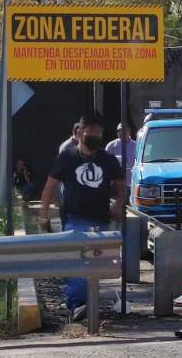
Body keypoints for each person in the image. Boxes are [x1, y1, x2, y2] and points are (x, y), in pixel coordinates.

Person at [38, 114, 125, 320]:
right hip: (74, 219)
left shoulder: (108, 160)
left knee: (94, 265)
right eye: (90, 133)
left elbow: (122, 189)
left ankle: (88, 304)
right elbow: (49, 188)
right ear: (80, 134)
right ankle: (78, 304)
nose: (93, 137)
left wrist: (119, 205)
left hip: (101, 220)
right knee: (78, 264)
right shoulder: (67, 157)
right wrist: (43, 214)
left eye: (98, 134)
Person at [105, 122, 137, 187]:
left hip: (131, 183)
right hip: (115, 183)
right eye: (119, 131)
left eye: (123, 130)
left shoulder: (136, 145)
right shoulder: (111, 146)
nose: (121, 133)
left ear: (129, 131)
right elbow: (105, 163)